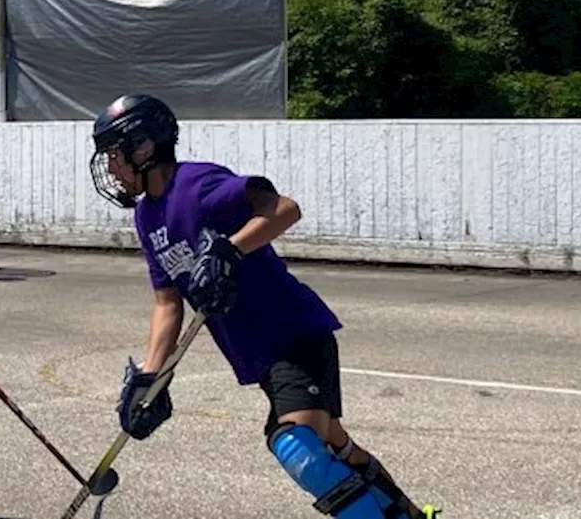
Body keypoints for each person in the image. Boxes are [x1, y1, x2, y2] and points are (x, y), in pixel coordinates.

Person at [89, 93, 441, 519]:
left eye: (114, 155)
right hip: (259, 353)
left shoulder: (197, 186)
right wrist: (151, 377)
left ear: (144, 148)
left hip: (292, 334)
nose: (110, 168)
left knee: (298, 447)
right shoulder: (147, 219)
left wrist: (229, 251)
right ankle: (407, 514)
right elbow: (168, 303)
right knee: (334, 445)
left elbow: (284, 209)